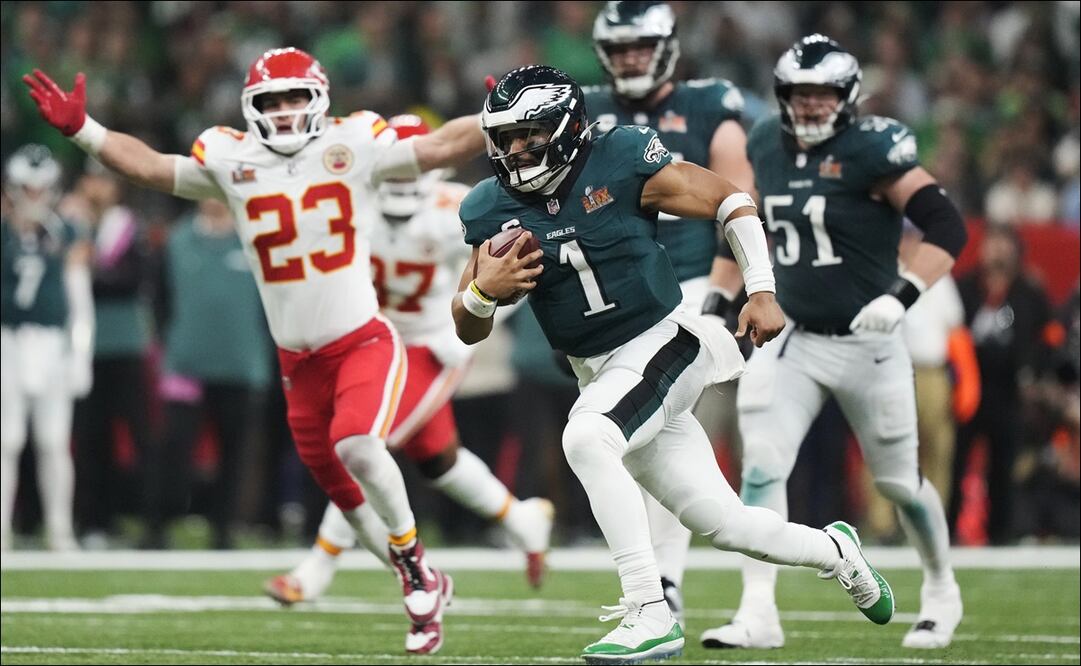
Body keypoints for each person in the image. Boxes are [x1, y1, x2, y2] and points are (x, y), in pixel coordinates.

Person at [24, 47, 485, 655]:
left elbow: (439, 148)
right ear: (252, 108)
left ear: (319, 101)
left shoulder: (353, 144)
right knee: (345, 499)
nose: (287, 110)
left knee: (359, 447)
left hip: (362, 341)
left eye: (297, 97)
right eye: (273, 100)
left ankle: (413, 568)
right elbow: (153, 168)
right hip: (296, 366)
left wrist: (502, 114)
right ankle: (419, 575)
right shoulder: (231, 156)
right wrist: (86, 131)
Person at [455, 64, 895, 664]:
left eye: (529, 134)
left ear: (564, 126)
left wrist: (761, 289)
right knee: (726, 524)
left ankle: (648, 609)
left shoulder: (620, 158)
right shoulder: (489, 207)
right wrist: (483, 291)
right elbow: (466, 325)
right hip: (601, 369)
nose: (515, 150)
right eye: (504, 138)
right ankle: (836, 553)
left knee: (587, 436)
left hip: (664, 339)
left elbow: (731, 201)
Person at [698, 35, 969, 651]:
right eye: (800, 94)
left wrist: (900, 295)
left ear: (846, 97)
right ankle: (757, 612)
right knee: (763, 466)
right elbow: (744, 223)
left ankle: (941, 586)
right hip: (793, 336)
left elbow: (946, 225)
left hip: (868, 342)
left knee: (899, 483)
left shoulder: (875, 146)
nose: (811, 106)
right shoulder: (766, 140)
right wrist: (717, 298)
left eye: (822, 95)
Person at [263, 114, 554, 606]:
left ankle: (319, 565)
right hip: (372, 340)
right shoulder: (352, 202)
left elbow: (521, 271)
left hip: (432, 343)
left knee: (364, 445)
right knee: (438, 458)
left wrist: (472, 323)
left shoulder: (452, 209)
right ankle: (523, 519)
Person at [585, 0, 756, 620]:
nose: (630, 59)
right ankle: (664, 582)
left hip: (689, 284)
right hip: (618, 299)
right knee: (639, 445)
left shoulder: (712, 104)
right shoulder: (584, 109)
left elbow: (738, 192)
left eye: (640, 47)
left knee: (659, 437)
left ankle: (670, 583)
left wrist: (721, 287)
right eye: (621, 49)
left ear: (666, 47)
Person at [143, 197, 272, 550]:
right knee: (173, 447)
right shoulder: (177, 240)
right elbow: (159, 299)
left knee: (236, 452)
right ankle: (158, 524)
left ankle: (224, 528)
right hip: (186, 364)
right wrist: (172, 341)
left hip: (241, 363)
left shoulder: (255, 240)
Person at [1, 144, 93, 552]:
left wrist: (81, 353)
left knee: (54, 441)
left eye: (41, 188)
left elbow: (79, 296)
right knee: (7, 439)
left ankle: (60, 529)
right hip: (8, 339)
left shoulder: (67, 231)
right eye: (28, 188)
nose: (35, 196)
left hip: (53, 342)